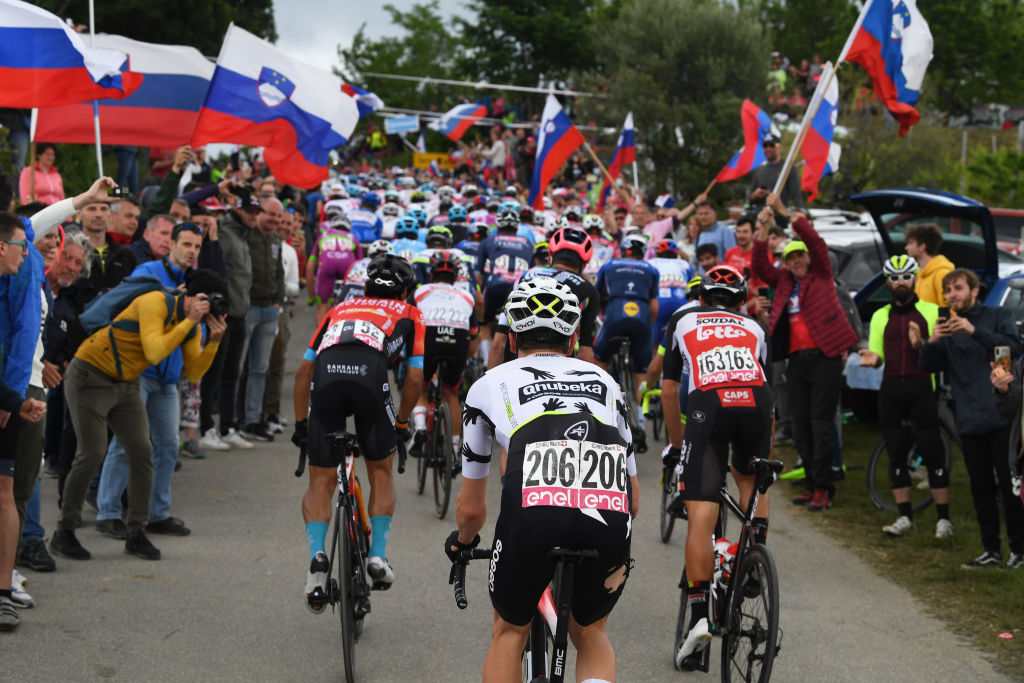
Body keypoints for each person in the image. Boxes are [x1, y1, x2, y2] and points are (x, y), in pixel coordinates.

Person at [446, 276, 638, 682]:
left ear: (513, 341)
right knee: (590, 632)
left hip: (532, 517)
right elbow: (633, 500)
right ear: (573, 341)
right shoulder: (606, 383)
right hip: (606, 513)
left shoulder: (486, 386)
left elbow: (471, 509)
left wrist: (462, 544)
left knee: (508, 631)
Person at [51, 269, 227, 562]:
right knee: (92, 452)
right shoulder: (154, 302)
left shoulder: (191, 323)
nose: (206, 307)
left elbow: (194, 372)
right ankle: (64, 531)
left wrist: (213, 342)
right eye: (204, 300)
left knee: (142, 451)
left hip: (126, 382)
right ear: (189, 294)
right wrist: (190, 322)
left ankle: (136, 532)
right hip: (89, 375)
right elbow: (155, 351)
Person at [659, 265, 773, 668]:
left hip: (710, 406)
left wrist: (676, 446)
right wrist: (765, 460)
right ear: (741, 302)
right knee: (750, 480)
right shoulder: (756, 328)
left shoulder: (683, 318)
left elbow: (670, 390)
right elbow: (767, 389)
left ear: (702, 298)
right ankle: (754, 555)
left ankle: (698, 619)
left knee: (702, 517)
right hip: (756, 406)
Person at [293, 254, 425, 603]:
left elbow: (303, 372)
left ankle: (316, 557)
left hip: (326, 376)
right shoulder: (411, 313)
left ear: (365, 286)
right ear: (406, 292)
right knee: (381, 472)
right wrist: (400, 423)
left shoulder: (341, 307)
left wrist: (300, 426)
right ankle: (378, 555)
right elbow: (414, 379)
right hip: (371, 378)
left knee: (320, 481)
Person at [94, 223, 207, 540]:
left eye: (196, 246)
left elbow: (191, 333)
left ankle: (158, 514)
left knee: (169, 446)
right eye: (186, 244)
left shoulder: (194, 281)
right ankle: (109, 512)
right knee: (126, 442)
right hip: (138, 372)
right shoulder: (148, 271)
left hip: (168, 377)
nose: (191, 251)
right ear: (170, 244)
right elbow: (137, 314)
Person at [751, 197, 857, 511]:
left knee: (820, 424)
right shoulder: (783, 281)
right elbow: (758, 265)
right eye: (791, 258)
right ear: (785, 263)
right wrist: (762, 230)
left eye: (800, 256)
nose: (797, 261)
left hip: (825, 357)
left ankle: (824, 487)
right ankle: (811, 483)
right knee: (799, 425)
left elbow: (817, 242)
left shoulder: (821, 274)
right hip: (796, 361)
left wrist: (787, 216)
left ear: (808, 259)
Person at [916, 268, 1024, 568]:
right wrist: (934, 340)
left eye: (958, 288)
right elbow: (928, 366)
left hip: (1002, 416)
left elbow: (1013, 348)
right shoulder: (947, 328)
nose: (953, 295)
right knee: (981, 489)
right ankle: (991, 550)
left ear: (974, 291)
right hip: (968, 418)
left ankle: (1019, 550)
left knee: (1010, 487)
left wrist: (974, 331)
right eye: (948, 291)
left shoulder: (997, 314)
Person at [857, 256, 952, 538]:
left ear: (914, 279)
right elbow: (878, 355)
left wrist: (922, 343)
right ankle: (904, 516)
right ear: (888, 282)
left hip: (922, 387)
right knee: (896, 452)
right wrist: (872, 359)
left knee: (932, 452)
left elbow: (943, 357)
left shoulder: (932, 311)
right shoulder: (879, 315)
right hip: (891, 390)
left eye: (906, 277)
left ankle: (943, 519)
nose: (900, 283)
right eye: (895, 278)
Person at [488, 226, 600, 369]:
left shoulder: (524, 276)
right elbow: (585, 353)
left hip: (516, 365)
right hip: (560, 369)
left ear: (550, 255)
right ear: (584, 263)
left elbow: (498, 343)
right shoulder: (589, 290)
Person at [409, 250, 479, 458]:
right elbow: (473, 344)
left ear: (431, 274)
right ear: (457, 277)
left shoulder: (420, 292)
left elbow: (410, 328)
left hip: (429, 337)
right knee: (451, 393)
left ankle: (420, 427)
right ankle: (456, 448)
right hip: (457, 340)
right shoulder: (467, 297)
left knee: (419, 386)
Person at [593, 235, 660, 431]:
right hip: (642, 314)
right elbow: (654, 307)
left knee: (600, 358)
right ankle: (641, 420)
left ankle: (600, 409)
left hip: (615, 313)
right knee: (641, 370)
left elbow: (596, 297)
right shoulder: (651, 269)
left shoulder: (609, 265)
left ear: (622, 250)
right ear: (642, 253)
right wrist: (648, 326)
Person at [238, 197, 286, 442]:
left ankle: (253, 420)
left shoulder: (276, 240)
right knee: (238, 367)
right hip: (249, 309)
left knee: (260, 368)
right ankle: (234, 420)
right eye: (271, 214)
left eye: (278, 216)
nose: (275, 220)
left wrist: (277, 300)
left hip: (269, 310)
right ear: (259, 212)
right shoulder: (246, 236)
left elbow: (279, 273)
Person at [476, 207, 533, 365]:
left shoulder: (488, 241)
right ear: (516, 228)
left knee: (485, 324)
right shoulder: (528, 243)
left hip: (496, 287)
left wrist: (479, 292)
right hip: (520, 290)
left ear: (498, 227)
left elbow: (478, 274)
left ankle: (487, 363)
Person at [747, 134, 803, 211]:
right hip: (759, 217)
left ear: (780, 148)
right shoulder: (759, 169)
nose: (768, 149)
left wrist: (800, 214)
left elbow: (796, 196)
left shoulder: (788, 167)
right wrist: (755, 195)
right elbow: (749, 200)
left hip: (779, 217)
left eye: (772, 145)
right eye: (765, 146)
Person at [904, 223, 954, 307]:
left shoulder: (942, 274)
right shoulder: (918, 274)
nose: (906, 247)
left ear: (922, 247)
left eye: (910, 243)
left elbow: (949, 310)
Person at [693, 200, 736, 274]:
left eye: (706, 213)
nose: (703, 217)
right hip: (703, 279)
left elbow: (732, 258)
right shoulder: (698, 235)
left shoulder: (725, 231)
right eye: (700, 214)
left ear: (715, 214)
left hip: (721, 278)